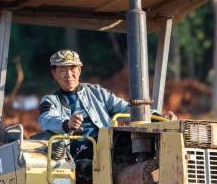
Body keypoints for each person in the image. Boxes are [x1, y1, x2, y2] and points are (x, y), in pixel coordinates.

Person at [38, 49, 171, 160]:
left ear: (79, 70)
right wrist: (66, 124)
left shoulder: (97, 92)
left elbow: (125, 108)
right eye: (62, 70)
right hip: (77, 153)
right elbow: (47, 119)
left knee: (143, 145)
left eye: (72, 68)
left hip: (108, 146)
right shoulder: (50, 101)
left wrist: (159, 116)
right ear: (54, 73)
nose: (69, 74)